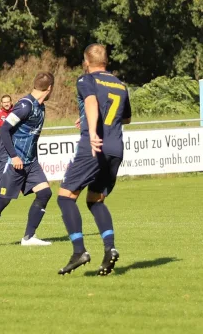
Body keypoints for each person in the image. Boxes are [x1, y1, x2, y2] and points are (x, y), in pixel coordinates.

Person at [57, 44, 131, 276]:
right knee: (95, 200)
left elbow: (91, 102)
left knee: (66, 198)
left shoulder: (86, 79)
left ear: (86, 61)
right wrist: (91, 121)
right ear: (106, 61)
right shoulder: (120, 85)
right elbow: (125, 117)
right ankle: (110, 249)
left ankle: (79, 251)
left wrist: (92, 130)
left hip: (94, 146)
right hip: (115, 148)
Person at [0, 72, 55, 249]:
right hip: (13, 161)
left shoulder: (40, 107)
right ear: (49, 89)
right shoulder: (24, 106)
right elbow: (4, 130)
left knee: (44, 193)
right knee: (3, 201)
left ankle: (29, 237)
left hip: (30, 162)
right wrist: (14, 156)